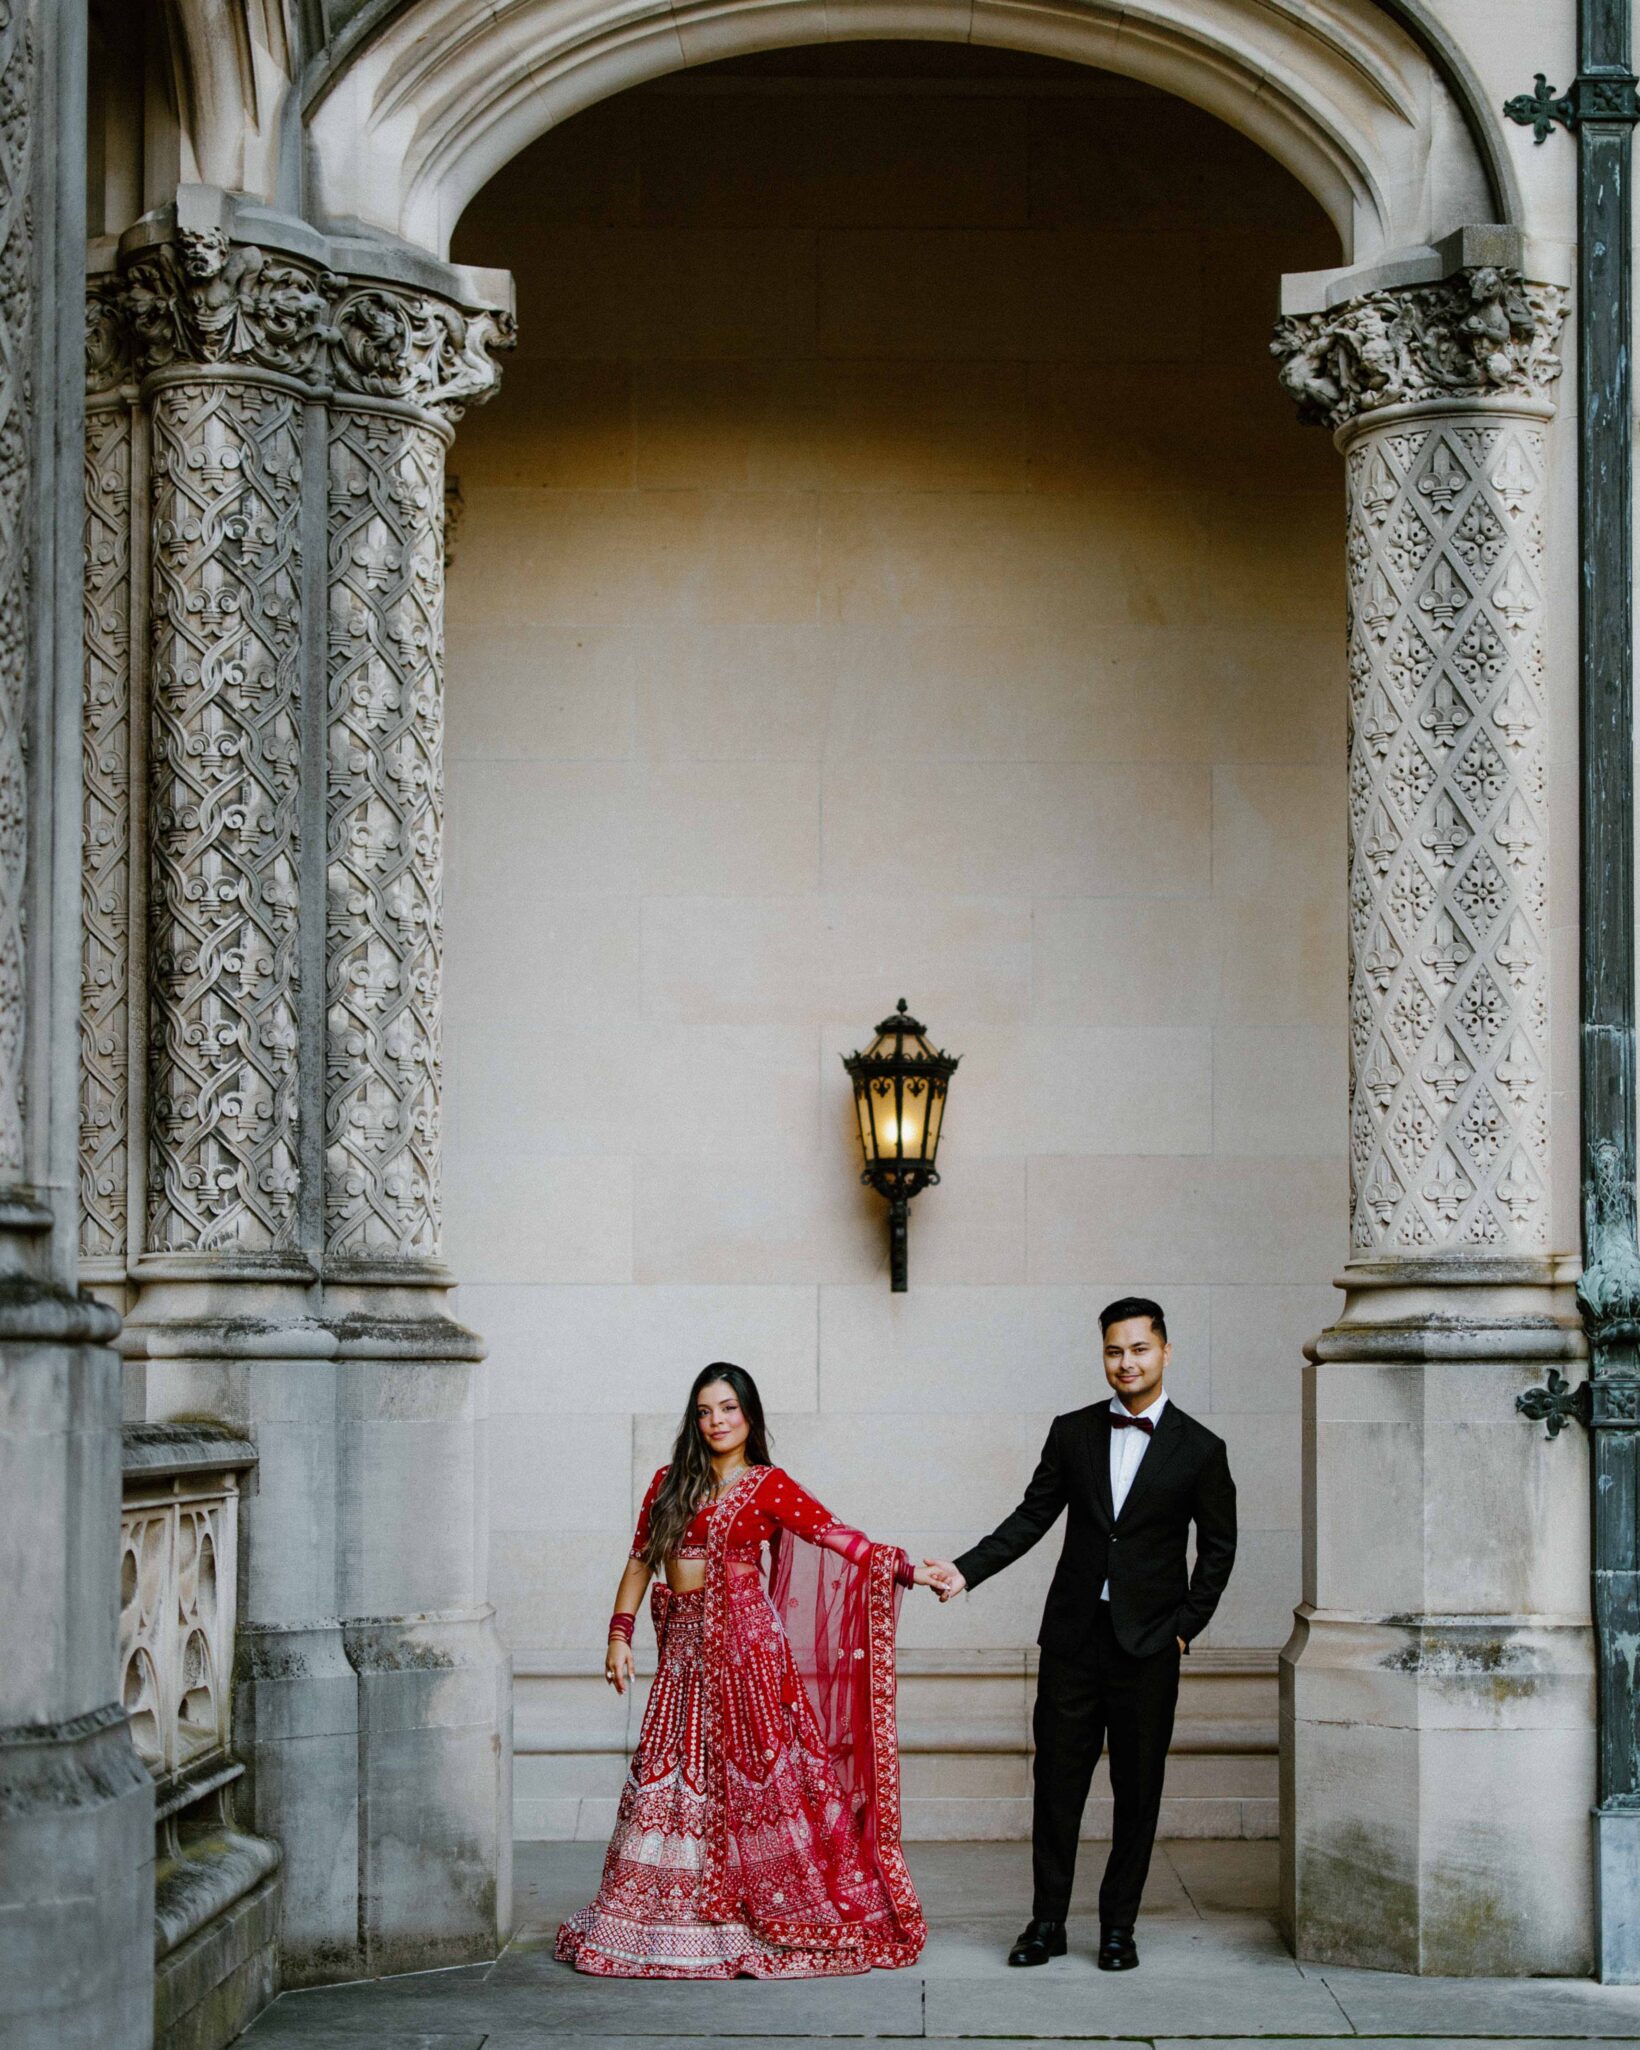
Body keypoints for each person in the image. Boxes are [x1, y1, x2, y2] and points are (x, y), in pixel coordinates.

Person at [557, 1361, 935, 1979]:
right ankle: (664, 1914)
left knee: (759, 1779)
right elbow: (638, 1563)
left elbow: (838, 1537)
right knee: (674, 1771)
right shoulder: (667, 1484)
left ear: (749, 1415)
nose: (716, 1422)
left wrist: (909, 1570)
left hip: (747, 1654)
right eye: (705, 1411)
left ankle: (756, 1908)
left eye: (728, 1409)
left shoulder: (768, 1484)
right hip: (683, 1652)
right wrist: (618, 1636)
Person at [922, 1297, 1236, 1974]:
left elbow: (1218, 1548)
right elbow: (1031, 1517)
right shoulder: (1073, 1433)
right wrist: (965, 1570)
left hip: (1149, 1646)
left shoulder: (1202, 1450)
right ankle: (1047, 1923)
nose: (1126, 1362)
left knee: (1138, 1791)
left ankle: (1118, 1928)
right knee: (1057, 1789)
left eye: (1138, 1349)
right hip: (1073, 1639)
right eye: (1113, 1351)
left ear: (1165, 1352)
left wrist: (1183, 1631)